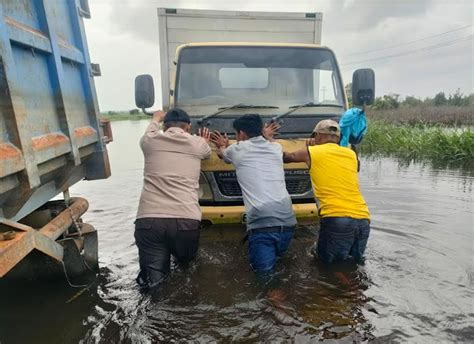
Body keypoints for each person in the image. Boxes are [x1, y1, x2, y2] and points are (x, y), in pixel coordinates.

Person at [134, 108, 211, 288]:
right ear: (189, 127)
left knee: (153, 283)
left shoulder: (149, 141)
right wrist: (204, 140)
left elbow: (150, 130)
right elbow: (207, 153)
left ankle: (153, 312)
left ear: (164, 125)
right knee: (187, 271)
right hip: (186, 221)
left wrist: (155, 118)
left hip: (149, 221)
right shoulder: (198, 144)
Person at [210, 114, 297, 273]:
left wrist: (222, 145)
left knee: (265, 278)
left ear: (241, 134)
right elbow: (268, 142)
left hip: (262, 224)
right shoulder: (276, 148)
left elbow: (223, 154)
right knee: (282, 267)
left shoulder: (237, 149)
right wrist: (267, 137)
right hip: (288, 220)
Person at [279, 119, 370, 264]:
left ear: (318, 136)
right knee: (353, 265)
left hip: (336, 219)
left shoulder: (311, 152)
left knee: (326, 266)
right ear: (338, 138)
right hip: (363, 219)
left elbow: (286, 157)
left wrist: (269, 140)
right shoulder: (351, 154)